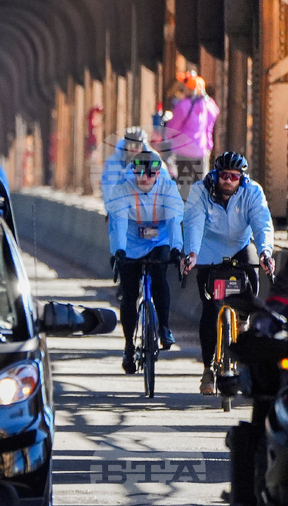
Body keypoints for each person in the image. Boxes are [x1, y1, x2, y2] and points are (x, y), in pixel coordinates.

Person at [182, 151, 276, 395]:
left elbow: (261, 222)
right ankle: (207, 369)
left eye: (234, 177)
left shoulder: (252, 191)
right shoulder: (200, 190)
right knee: (210, 308)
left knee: (251, 276)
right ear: (216, 174)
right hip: (207, 250)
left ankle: (243, 321)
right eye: (223, 175)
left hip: (240, 246)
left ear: (241, 178)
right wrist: (191, 253)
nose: (228, 181)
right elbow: (193, 222)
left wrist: (266, 252)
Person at [106, 150, 184, 375]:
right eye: (139, 172)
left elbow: (174, 221)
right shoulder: (122, 189)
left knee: (159, 277)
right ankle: (129, 345)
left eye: (150, 173)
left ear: (159, 173)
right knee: (129, 294)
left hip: (159, 239)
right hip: (130, 242)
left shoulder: (168, 189)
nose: (144, 177)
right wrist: (118, 251)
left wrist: (177, 249)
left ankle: (164, 328)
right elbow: (118, 224)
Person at [170, 74, 220, 195]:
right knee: (200, 186)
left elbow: (172, 128)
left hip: (183, 152)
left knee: (183, 185)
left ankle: (185, 209)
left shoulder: (183, 106)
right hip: (201, 151)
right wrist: (209, 145)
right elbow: (212, 119)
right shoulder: (208, 105)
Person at [99, 127, 171, 202]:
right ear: (125, 146)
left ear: (143, 146)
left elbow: (165, 182)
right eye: (130, 145)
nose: (134, 149)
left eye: (137, 145)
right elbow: (109, 186)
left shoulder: (154, 159)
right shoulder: (115, 160)